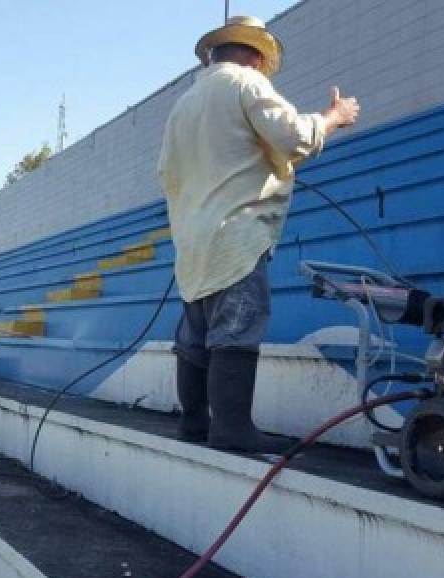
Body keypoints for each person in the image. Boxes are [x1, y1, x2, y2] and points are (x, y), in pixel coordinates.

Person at [158, 15, 360, 454]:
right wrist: (333, 117)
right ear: (255, 55)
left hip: (193, 241)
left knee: (195, 334)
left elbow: (167, 174)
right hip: (236, 232)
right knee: (236, 326)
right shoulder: (246, 83)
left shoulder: (184, 105)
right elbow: (293, 137)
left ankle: (194, 422)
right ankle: (231, 429)